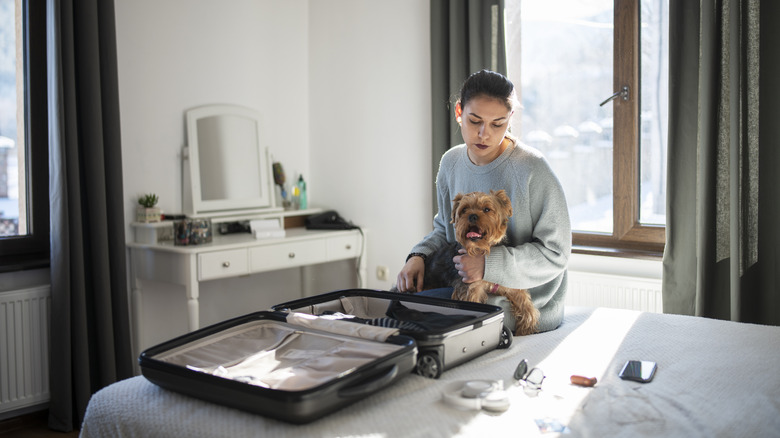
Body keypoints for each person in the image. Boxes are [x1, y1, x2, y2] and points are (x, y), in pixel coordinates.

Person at [395, 69, 571, 333]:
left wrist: (488, 265)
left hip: (526, 302)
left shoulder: (533, 170)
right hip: (469, 287)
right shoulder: (451, 163)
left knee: (414, 317)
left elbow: (557, 254)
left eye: (497, 124)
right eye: (474, 120)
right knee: (396, 305)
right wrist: (418, 256)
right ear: (458, 113)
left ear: (510, 120)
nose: (483, 133)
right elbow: (446, 230)